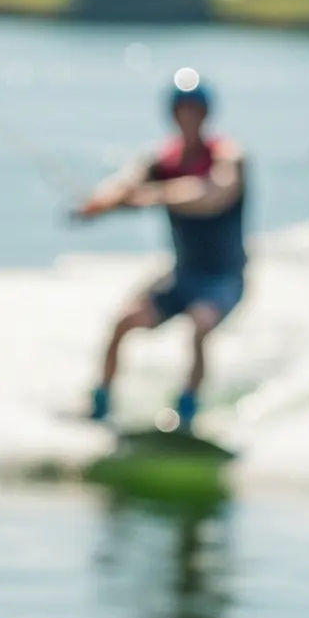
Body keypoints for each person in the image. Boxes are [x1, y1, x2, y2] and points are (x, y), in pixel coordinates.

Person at [76, 69, 247, 434]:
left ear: (205, 115)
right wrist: (101, 203)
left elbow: (215, 193)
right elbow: (127, 182)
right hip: (182, 275)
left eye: (194, 111)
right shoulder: (160, 160)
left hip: (222, 278)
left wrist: (156, 195)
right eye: (181, 111)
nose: (187, 118)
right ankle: (100, 404)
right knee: (124, 320)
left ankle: (186, 413)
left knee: (200, 324)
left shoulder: (226, 156)